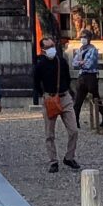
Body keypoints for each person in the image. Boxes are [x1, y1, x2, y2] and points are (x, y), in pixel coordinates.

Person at [32, 36, 81, 172]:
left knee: (74, 130)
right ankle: (53, 161)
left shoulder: (62, 62)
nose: (51, 49)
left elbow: (68, 77)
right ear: (43, 50)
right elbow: (36, 82)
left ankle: (69, 157)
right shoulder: (40, 65)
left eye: (52, 46)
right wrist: (44, 94)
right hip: (49, 98)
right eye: (48, 47)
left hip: (64, 97)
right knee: (49, 133)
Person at [73, 30, 103, 130]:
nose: (83, 39)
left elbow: (90, 64)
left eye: (84, 37)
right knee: (78, 100)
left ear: (89, 38)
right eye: (81, 37)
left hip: (91, 76)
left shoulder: (93, 50)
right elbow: (74, 63)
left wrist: (81, 63)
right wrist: (81, 62)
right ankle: (75, 121)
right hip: (81, 76)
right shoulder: (80, 49)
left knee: (95, 98)